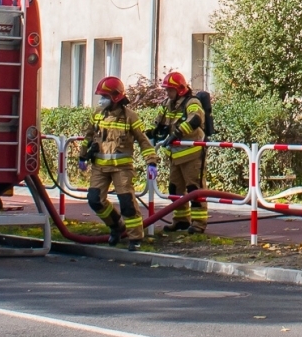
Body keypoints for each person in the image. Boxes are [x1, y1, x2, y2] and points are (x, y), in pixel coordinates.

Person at [79, 76, 157, 246]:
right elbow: (89, 136)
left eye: (105, 96)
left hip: (122, 168)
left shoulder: (130, 117)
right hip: (99, 167)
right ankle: (116, 226)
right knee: (94, 199)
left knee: (127, 204)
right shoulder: (97, 115)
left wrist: (151, 160)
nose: (101, 100)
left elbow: (143, 140)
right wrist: (82, 155)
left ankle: (135, 238)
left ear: (115, 97)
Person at [154, 71, 208, 233]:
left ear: (180, 89)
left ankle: (198, 224)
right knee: (174, 189)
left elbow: (196, 119)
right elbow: (160, 124)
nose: (167, 93)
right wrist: (153, 133)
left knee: (194, 190)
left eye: (170, 90)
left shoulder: (192, 102)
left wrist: (177, 133)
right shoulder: (167, 104)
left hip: (192, 154)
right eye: (166, 90)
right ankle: (181, 221)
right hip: (175, 155)